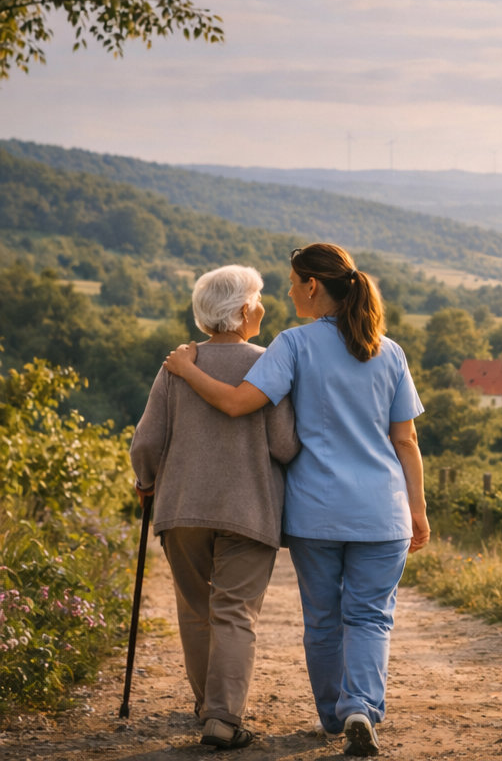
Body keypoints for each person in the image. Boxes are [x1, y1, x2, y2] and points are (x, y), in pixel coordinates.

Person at [165, 243, 429, 758]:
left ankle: (333, 715)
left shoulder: (292, 345)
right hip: (383, 511)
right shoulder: (389, 351)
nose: (287, 292)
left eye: (292, 282)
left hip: (316, 513)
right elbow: (407, 442)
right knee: (372, 616)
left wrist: (188, 369)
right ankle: (361, 707)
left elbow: (240, 404)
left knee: (324, 618)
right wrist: (417, 510)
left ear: (313, 286)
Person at [130, 265, 299, 751]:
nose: (264, 307)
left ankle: (208, 706)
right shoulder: (269, 363)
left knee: (197, 611)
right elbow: (285, 445)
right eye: (260, 299)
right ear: (245, 310)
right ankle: (224, 718)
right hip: (248, 510)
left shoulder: (178, 365)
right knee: (234, 613)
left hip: (181, 507)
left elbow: (147, 441)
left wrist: (146, 482)